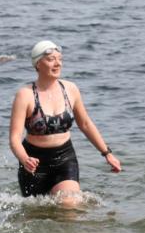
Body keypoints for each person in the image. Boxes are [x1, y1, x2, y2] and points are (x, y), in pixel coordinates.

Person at [10, 40, 121, 207]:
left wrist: (107, 153)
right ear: (38, 64)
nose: (58, 63)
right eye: (51, 59)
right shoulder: (25, 95)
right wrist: (25, 159)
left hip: (65, 157)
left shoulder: (70, 89)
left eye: (59, 59)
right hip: (34, 162)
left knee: (70, 205)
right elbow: (14, 138)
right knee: (36, 213)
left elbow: (85, 124)